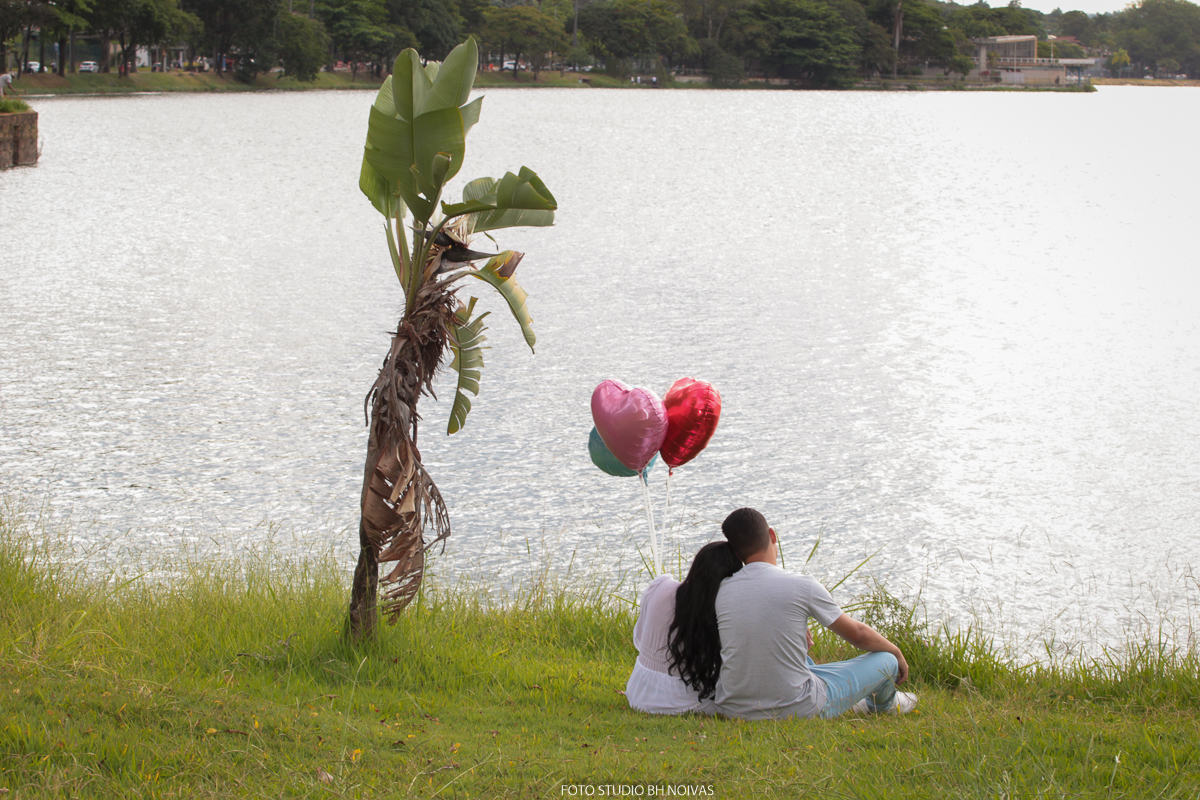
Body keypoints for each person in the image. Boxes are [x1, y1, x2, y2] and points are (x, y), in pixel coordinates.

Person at [713, 507, 917, 720]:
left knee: (805, 663)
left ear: (736, 553)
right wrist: (897, 653)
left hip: (732, 708)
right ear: (772, 535)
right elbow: (859, 635)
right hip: (798, 708)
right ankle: (884, 705)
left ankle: (858, 699)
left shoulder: (722, 588)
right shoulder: (801, 585)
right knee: (887, 659)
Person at [624, 542, 742, 714]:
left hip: (639, 692)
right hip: (684, 700)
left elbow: (639, 640)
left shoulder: (660, 585)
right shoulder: (721, 610)